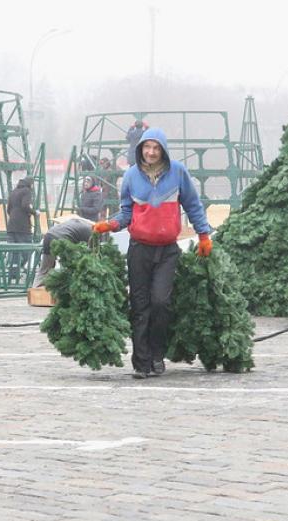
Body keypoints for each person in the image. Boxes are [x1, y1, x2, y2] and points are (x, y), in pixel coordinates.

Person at [93, 128, 212, 379]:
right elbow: (127, 212)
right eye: (147, 147)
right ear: (140, 150)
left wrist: (203, 234)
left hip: (168, 250)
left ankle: (157, 355)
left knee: (160, 302)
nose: (151, 152)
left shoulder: (178, 172)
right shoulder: (131, 176)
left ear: (163, 151)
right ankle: (141, 363)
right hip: (139, 249)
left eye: (156, 148)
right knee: (140, 306)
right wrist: (111, 225)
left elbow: (192, 204)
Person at [31, 215, 94, 288]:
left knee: (45, 269)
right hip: (62, 240)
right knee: (70, 269)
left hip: (48, 236)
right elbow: (89, 253)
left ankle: (35, 291)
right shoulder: (90, 231)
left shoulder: (77, 223)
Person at [6, 176, 36, 279]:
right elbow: (25, 205)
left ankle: (13, 274)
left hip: (11, 226)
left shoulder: (14, 191)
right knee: (28, 250)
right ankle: (27, 271)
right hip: (22, 227)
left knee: (14, 251)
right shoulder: (27, 191)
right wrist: (34, 212)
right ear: (30, 184)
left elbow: (8, 209)